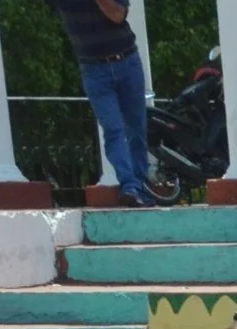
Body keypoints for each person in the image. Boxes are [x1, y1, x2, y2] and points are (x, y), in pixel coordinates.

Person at [48, 0, 157, 207]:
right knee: (113, 129)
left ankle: (140, 186)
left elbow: (118, 15)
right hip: (94, 70)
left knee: (136, 129)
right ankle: (130, 187)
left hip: (127, 61)